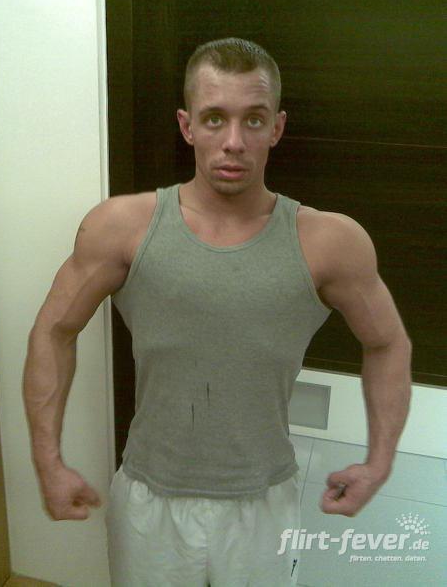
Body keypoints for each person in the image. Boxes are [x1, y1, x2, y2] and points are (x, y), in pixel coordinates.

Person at [23, 37, 412, 586]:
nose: (233, 142)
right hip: (149, 500)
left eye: (253, 120)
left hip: (263, 501)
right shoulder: (121, 227)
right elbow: (53, 330)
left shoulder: (330, 242)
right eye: (214, 119)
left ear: (276, 128)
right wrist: (49, 461)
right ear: (187, 127)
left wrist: (380, 460)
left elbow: (388, 342)